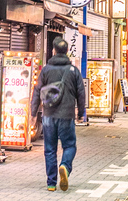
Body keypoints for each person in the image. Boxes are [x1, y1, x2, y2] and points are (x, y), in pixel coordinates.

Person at [30, 38, 87, 192]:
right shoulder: (73, 71)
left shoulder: (46, 70)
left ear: (54, 51)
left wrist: (33, 113)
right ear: (66, 51)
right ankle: (65, 166)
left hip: (49, 115)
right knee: (69, 146)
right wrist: (81, 113)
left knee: (49, 149)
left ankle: (51, 183)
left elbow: (37, 91)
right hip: (67, 115)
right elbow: (81, 93)